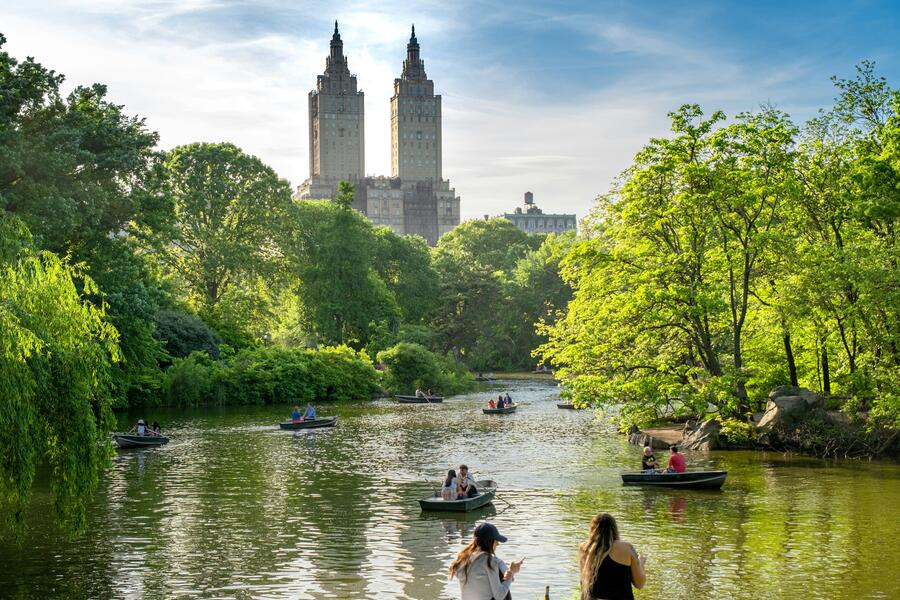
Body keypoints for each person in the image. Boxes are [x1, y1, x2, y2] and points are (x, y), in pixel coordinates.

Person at [579, 512, 645, 600]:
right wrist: (640, 564)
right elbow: (639, 584)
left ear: (593, 529)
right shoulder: (625, 547)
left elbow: (583, 584)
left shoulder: (585, 548)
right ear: (615, 529)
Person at [449, 522, 523, 600]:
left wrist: (510, 574)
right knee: (503, 580)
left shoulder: (462, 559)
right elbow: (500, 596)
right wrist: (512, 572)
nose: (497, 544)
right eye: (496, 541)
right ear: (490, 542)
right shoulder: (490, 562)